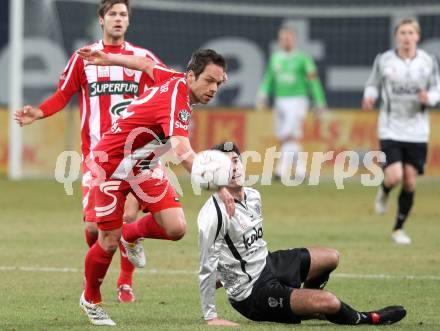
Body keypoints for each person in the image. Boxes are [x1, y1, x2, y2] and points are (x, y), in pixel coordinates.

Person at [13, 0, 164, 302]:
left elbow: (166, 92)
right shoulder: (84, 58)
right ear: (101, 19)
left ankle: (124, 281)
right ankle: (98, 272)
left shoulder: (143, 58)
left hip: (135, 154)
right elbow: (63, 95)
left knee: (129, 216)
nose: (118, 19)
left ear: (129, 22)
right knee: (94, 229)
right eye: (113, 14)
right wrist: (38, 113)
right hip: (98, 158)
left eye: (123, 15)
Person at [76, 47, 235, 326]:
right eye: (209, 80)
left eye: (219, 83)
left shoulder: (174, 79)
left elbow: (144, 63)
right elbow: (182, 149)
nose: (214, 88)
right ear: (191, 76)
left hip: (141, 167)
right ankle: (91, 299)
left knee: (175, 228)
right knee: (107, 241)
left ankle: (131, 235)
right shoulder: (178, 100)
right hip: (110, 166)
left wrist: (109, 58)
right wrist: (219, 186)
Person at [197, 141, 407, 327]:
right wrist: (211, 317)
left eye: (235, 161)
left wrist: (225, 274)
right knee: (330, 301)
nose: (233, 168)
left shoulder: (253, 195)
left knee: (332, 257)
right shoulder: (214, 212)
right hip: (252, 293)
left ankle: (312, 307)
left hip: (268, 263)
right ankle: (368, 318)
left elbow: (244, 246)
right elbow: (206, 267)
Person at [362, 18, 440, 245]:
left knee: (409, 182)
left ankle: (398, 229)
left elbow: (437, 89)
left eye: (410, 33)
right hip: (390, 128)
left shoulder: (428, 61)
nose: (406, 37)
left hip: (417, 131)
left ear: (417, 36)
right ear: (397, 36)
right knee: (394, 176)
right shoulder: (384, 60)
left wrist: (431, 98)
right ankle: (385, 190)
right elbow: (372, 84)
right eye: (402, 33)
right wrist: (370, 96)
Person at [256, 24, 327, 181]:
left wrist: (320, 101)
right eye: (283, 38)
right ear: (280, 40)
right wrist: (262, 94)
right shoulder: (275, 58)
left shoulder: (303, 59)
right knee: (288, 136)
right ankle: (301, 171)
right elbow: (269, 79)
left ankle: (280, 170)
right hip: (280, 100)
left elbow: (313, 81)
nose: (286, 41)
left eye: (288, 38)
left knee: (288, 134)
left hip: (298, 100)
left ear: (294, 40)